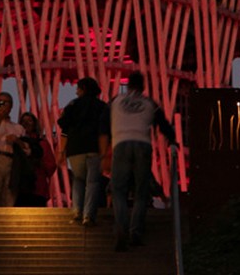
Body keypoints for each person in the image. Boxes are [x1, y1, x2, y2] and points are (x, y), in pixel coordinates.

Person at [104, 71, 176, 251]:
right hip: (143, 145)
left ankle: (121, 227)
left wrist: (104, 149)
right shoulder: (149, 103)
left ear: (128, 85)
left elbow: (103, 122)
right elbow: (163, 124)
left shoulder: (115, 101)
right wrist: (173, 140)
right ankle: (135, 231)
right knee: (141, 192)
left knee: (118, 190)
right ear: (143, 86)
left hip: (120, 144)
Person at [57, 76, 109, 227]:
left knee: (78, 180)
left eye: (78, 88)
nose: (76, 91)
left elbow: (64, 129)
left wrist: (62, 151)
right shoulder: (102, 106)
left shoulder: (72, 106)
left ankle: (76, 211)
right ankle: (88, 215)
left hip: (75, 148)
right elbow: (105, 130)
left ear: (84, 89)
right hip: (94, 148)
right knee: (93, 182)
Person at [15, 112, 57, 207]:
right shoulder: (16, 142)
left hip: (37, 186)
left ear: (35, 124)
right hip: (20, 187)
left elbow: (51, 165)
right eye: (23, 121)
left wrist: (38, 163)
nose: (26, 123)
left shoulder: (42, 143)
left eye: (29, 120)